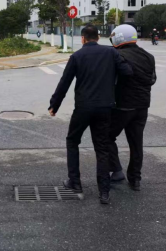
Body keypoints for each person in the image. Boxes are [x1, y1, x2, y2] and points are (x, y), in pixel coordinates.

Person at [48, 24, 133, 204]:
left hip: (83, 107)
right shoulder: (111, 53)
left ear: (83, 38)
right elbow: (127, 72)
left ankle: (75, 182)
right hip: (105, 107)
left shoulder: (77, 56)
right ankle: (104, 192)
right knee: (101, 148)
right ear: (98, 37)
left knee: (73, 141)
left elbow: (64, 82)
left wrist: (54, 105)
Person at [108, 25, 156, 192]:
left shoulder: (117, 55)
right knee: (136, 142)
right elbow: (152, 80)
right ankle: (135, 179)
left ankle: (116, 170)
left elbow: (111, 80)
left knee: (106, 136)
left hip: (122, 105)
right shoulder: (149, 56)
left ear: (119, 37)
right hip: (142, 106)